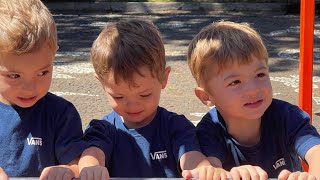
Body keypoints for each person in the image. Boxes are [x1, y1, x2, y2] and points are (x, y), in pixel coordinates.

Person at [78, 19, 228, 180]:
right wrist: (91, 167)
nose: (133, 105)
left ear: (164, 78)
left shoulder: (176, 126)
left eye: (144, 95)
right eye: (118, 97)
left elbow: (191, 156)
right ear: (101, 82)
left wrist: (202, 168)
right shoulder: (104, 129)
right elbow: (92, 153)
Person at [187, 20, 320, 179]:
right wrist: (228, 174)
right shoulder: (209, 131)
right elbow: (212, 170)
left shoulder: (288, 116)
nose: (253, 89)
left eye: (260, 75)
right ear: (206, 96)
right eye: (235, 82)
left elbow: (316, 152)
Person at [0, 0, 86, 179]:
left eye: (43, 72)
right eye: (14, 76)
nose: (30, 88)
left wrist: (69, 171)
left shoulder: (61, 113)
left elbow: (77, 164)